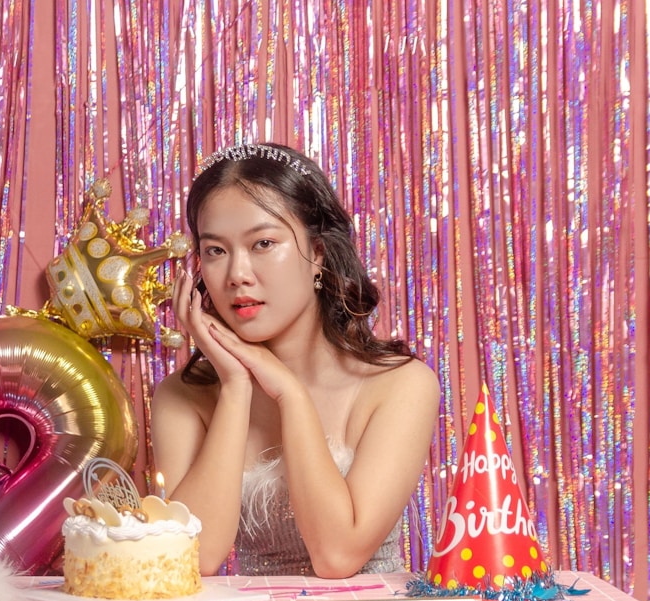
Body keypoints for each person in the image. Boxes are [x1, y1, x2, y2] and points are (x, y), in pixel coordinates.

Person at [151, 143, 441, 578]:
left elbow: (337, 556)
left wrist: (290, 393)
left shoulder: (401, 386)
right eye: (215, 250)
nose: (237, 275)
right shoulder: (182, 397)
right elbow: (193, 561)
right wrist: (235, 388)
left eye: (263, 243)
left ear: (318, 253)